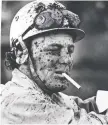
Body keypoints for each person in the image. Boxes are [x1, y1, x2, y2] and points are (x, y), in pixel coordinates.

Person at [1, 0, 108, 124]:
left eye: (69, 50)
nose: (66, 60)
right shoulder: (17, 102)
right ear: (20, 53)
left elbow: (82, 106)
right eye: (53, 50)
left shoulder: (47, 95)